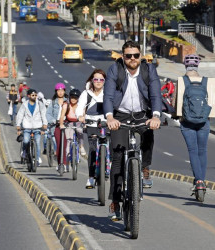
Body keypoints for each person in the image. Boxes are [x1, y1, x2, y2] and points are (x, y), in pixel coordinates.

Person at [103, 41, 162, 220]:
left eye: (136, 55)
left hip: (143, 113)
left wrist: (156, 116)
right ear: (123, 57)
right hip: (120, 115)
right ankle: (115, 201)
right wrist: (109, 117)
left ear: (140, 56)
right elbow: (108, 94)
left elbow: (155, 94)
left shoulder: (148, 69)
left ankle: (144, 167)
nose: (132, 59)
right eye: (128, 56)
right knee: (118, 157)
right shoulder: (115, 69)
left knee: (148, 135)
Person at [178, 54, 211, 194]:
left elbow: (177, 103)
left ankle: (198, 181)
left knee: (193, 151)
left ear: (185, 65)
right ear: (198, 65)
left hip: (187, 122)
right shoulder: (207, 81)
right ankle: (202, 181)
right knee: (202, 151)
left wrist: (178, 117)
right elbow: (212, 104)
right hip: (204, 121)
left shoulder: (182, 81)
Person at [76, 69, 107, 189]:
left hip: (106, 124)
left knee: (113, 147)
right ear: (92, 80)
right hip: (91, 123)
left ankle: (108, 165)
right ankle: (91, 178)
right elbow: (80, 106)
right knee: (93, 149)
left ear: (105, 81)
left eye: (101, 79)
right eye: (96, 79)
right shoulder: (86, 93)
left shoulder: (108, 92)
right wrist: (80, 116)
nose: (98, 82)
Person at [16, 89, 48, 166]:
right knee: (26, 141)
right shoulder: (24, 105)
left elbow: (44, 114)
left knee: (37, 143)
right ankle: (24, 151)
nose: (34, 97)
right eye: (33, 95)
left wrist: (44, 125)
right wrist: (18, 125)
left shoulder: (40, 104)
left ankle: (37, 158)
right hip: (27, 126)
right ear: (29, 96)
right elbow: (20, 115)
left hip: (37, 126)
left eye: (35, 95)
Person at [59, 88, 86, 171]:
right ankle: (67, 163)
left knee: (80, 132)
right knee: (69, 141)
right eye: (72, 97)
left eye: (75, 98)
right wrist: (61, 124)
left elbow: (84, 115)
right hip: (69, 123)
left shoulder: (81, 105)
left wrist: (84, 124)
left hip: (78, 122)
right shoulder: (66, 105)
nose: (73, 99)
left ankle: (81, 147)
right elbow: (62, 115)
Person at [46, 83, 68, 168]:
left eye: (62, 90)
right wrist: (54, 121)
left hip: (66, 125)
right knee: (58, 145)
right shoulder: (52, 103)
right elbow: (48, 114)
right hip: (56, 126)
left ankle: (66, 163)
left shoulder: (68, 101)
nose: (60, 92)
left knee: (66, 146)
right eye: (58, 90)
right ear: (56, 92)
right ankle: (60, 163)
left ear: (64, 91)